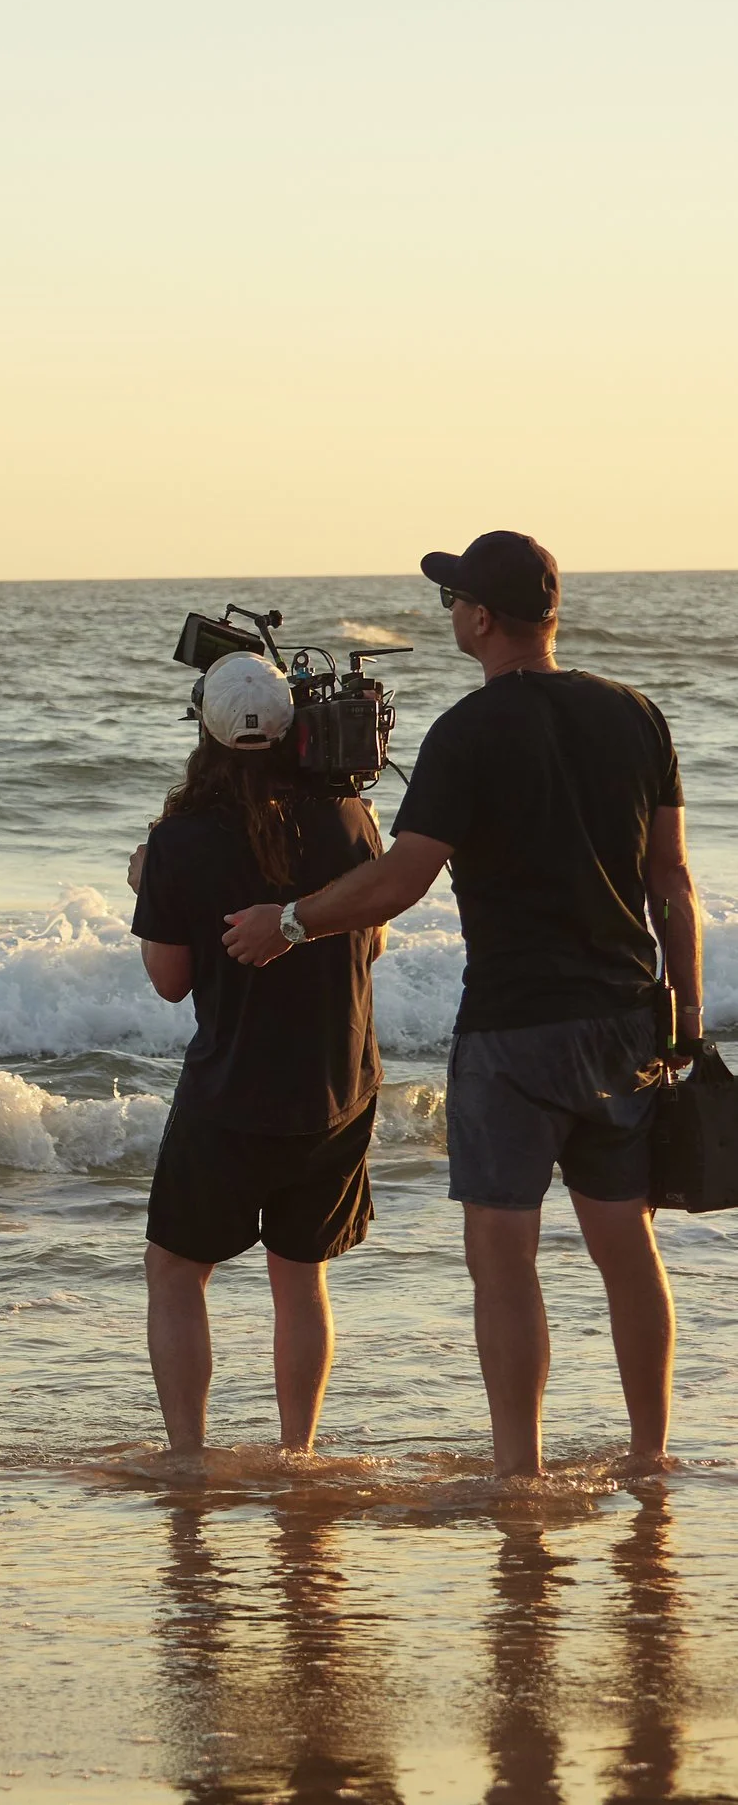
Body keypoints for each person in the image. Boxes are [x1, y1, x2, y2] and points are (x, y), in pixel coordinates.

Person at [224, 532, 700, 1478]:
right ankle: (651, 1458)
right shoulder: (636, 715)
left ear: (483, 618)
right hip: (621, 1021)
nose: (448, 613)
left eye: (453, 601)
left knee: (504, 1258)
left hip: (512, 1029)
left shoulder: (468, 731)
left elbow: (400, 880)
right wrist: (682, 1017)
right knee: (626, 1245)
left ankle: (519, 1471)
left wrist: (290, 919)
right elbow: (672, 881)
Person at [127, 652, 385, 1458]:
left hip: (233, 1089)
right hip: (334, 1086)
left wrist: (148, 880)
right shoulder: (349, 820)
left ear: (202, 731)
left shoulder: (180, 838)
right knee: (300, 1277)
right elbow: (368, 941)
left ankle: (189, 1455)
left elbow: (170, 982)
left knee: (175, 1270)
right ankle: (297, 1453)